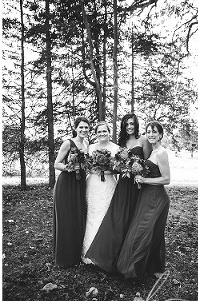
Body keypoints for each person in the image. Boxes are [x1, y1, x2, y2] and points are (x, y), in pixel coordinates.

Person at [85, 114, 152, 271]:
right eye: (126, 124)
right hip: (123, 183)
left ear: (136, 124)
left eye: (131, 123)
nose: (129, 126)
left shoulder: (143, 140)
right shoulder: (122, 143)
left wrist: (141, 174)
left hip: (137, 183)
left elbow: (148, 162)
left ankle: (134, 257)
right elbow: (117, 166)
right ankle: (114, 255)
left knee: (135, 217)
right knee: (119, 217)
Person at [116, 121, 171, 278]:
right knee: (149, 232)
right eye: (149, 132)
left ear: (160, 134)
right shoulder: (152, 152)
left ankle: (148, 268)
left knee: (147, 231)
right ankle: (150, 267)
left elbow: (166, 179)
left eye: (154, 132)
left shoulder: (161, 153)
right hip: (146, 196)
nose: (151, 134)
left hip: (157, 198)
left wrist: (144, 180)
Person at [52, 116, 91, 266]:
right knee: (66, 218)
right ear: (75, 128)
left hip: (80, 183)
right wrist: (71, 167)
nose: (83, 130)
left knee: (76, 217)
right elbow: (56, 164)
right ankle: (64, 258)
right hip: (67, 183)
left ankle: (75, 255)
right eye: (81, 127)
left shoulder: (87, 143)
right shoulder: (68, 143)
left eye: (86, 127)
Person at [82, 122, 119, 264]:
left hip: (108, 183)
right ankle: (89, 251)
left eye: (105, 131)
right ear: (96, 133)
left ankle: (105, 252)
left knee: (106, 215)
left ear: (109, 132)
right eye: (99, 131)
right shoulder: (90, 147)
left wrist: (107, 169)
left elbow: (119, 169)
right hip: (93, 183)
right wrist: (95, 168)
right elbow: (86, 165)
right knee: (92, 215)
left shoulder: (116, 148)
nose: (102, 134)